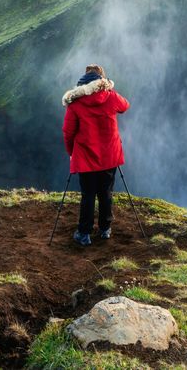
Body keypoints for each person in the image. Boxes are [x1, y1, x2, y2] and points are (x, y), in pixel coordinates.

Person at [62, 64, 130, 247]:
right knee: (106, 192)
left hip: (86, 157)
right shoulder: (111, 97)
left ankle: (84, 234)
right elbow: (125, 106)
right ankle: (105, 229)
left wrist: (71, 153)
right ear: (102, 80)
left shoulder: (75, 104)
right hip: (110, 156)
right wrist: (109, 88)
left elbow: (68, 132)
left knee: (88, 195)